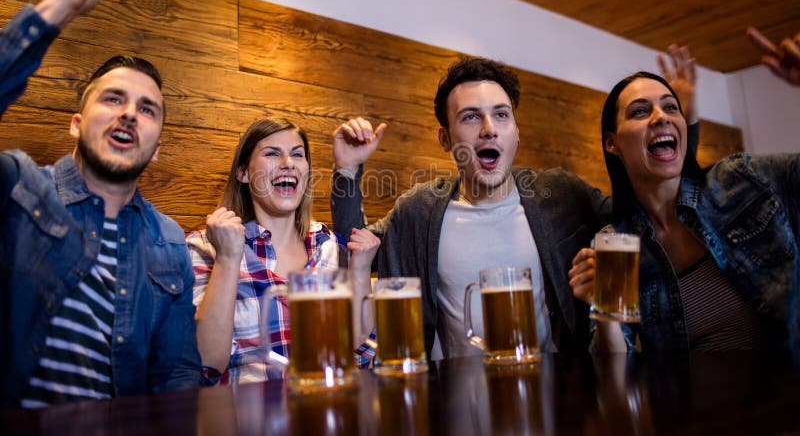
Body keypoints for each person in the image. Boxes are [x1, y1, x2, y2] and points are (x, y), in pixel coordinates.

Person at [331, 52, 699, 361]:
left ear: (516, 133)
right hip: (455, 414)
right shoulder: (419, 211)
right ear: (445, 138)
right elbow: (357, 245)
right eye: (471, 117)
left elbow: (644, 216)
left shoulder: (562, 193)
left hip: (557, 408)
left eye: (502, 115)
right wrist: (347, 170)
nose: (489, 128)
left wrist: (683, 132)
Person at [0, 0, 203, 408]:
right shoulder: (16, 186)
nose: (130, 112)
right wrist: (57, 6)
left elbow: (176, 374)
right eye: (113, 99)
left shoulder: (169, 242)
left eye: (147, 109)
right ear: (75, 123)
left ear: (155, 150)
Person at [568, 54, 799, 351]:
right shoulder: (614, 243)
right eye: (640, 112)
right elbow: (615, 374)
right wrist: (604, 311)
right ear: (612, 143)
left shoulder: (741, 179)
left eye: (671, 107)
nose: (661, 116)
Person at [187, 117, 379, 384]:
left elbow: (359, 357)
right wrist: (228, 258)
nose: (288, 163)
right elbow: (206, 364)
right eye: (272, 153)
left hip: (327, 412)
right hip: (247, 420)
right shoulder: (205, 247)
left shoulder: (331, 246)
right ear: (242, 172)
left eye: (297, 155)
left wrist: (360, 271)